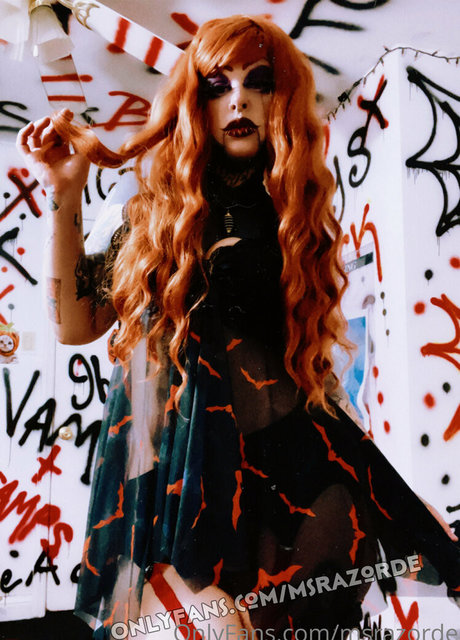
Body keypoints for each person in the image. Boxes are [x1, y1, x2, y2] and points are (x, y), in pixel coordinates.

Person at [17, 14, 460, 640]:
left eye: (259, 82)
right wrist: (64, 192)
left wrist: (373, 476)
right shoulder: (152, 217)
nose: (240, 99)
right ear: (194, 102)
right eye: (218, 84)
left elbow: (303, 358)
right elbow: (73, 324)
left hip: (299, 470)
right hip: (189, 482)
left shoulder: (296, 215)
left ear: (282, 99)